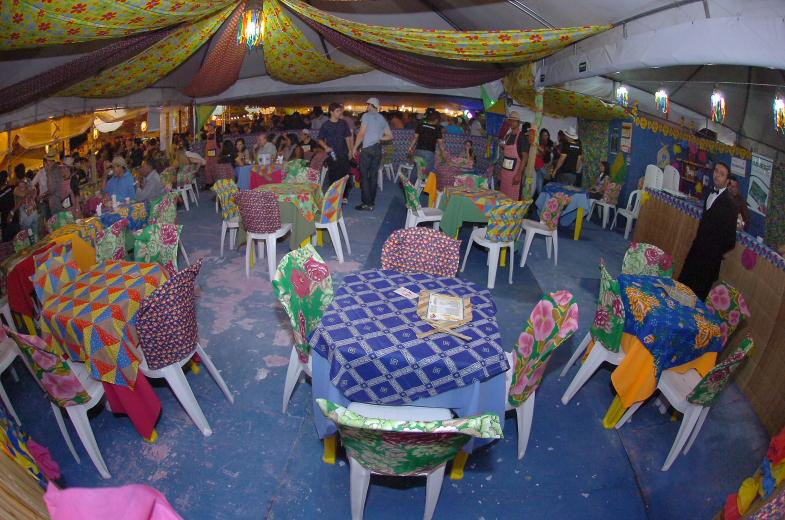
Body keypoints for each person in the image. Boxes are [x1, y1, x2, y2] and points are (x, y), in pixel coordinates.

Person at [678, 162, 738, 300]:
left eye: (722, 174)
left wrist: (713, 252)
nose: (717, 175)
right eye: (716, 171)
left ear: (727, 181)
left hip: (709, 262)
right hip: (695, 253)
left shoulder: (731, 206)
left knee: (696, 299)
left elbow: (730, 241)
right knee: (681, 289)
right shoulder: (708, 193)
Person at [352, 97, 392, 210]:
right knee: (374, 176)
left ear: (371, 105)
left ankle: (366, 203)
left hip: (367, 149)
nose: (367, 106)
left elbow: (361, 133)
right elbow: (390, 136)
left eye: (368, 104)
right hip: (377, 149)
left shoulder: (366, 116)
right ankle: (371, 203)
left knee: (364, 176)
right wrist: (379, 138)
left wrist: (354, 147)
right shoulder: (382, 118)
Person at [318, 102, 354, 201]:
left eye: (340, 111)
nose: (340, 113)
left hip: (344, 153)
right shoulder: (326, 125)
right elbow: (319, 139)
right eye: (337, 111)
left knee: (345, 175)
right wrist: (326, 147)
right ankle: (334, 195)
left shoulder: (343, 123)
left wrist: (350, 150)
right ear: (331, 112)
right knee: (333, 175)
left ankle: (344, 196)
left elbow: (347, 137)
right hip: (332, 155)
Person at [499, 111, 529, 200]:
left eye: (514, 121)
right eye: (510, 120)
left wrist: (519, 174)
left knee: (513, 198)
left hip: (514, 174)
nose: (512, 122)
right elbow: (505, 156)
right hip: (505, 173)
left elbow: (525, 157)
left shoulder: (522, 137)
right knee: (503, 196)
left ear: (518, 123)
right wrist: (501, 171)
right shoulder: (507, 136)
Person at [408, 111, 446, 181]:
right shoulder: (437, 128)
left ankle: (411, 183)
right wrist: (443, 154)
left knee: (417, 168)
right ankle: (425, 185)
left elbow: (415, 138)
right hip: (429, 153)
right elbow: (440, 143)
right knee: (427, 172)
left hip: (418, 151)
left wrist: (410, 148)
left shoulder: (420, 125)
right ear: (436, 120)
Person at [0, 171, 18, 242]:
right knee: (18, 241)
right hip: (14, 217)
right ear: (6, 179)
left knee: (7, 242)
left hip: (5, 220)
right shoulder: (12, 188)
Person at [534, 129, 553, 194]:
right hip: (538, 166)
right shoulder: (539, 142)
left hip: (541, 165)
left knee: (546, 180)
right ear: (541, 136)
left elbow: (543, 152)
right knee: (539, 186)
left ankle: (546, 195)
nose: (546, 137)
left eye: (546, 135)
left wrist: (536, 146)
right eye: (544, 135)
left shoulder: (547, 143)